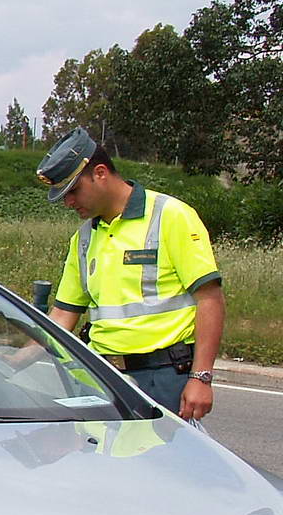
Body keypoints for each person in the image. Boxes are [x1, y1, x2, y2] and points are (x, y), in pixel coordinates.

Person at [36, 127, 224, 420]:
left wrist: (201, 378)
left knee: (163, 465)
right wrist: (13, 359)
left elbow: (210, 299)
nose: (68, 202)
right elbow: (63, 316)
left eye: (73, 190)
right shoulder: (84, 238)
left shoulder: (170, 216)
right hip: (101, 377)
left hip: (163, 377)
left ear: (100, 173)